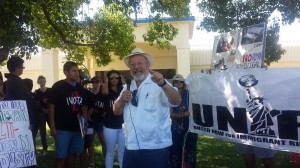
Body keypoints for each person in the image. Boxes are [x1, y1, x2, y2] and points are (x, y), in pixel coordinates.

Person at [113, 48, 182, 168]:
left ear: (148, 65)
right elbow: (115, 111)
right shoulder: (128, 86)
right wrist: (121, 100)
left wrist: (163, 83)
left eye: (140, 63)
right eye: (132, 64)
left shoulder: (159, 82)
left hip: (155, 147)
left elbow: (177, 101)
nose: (136, 67)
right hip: (131, 146)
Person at [48, 61, 88, 168]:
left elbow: (83, 107)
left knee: (74, 154)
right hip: (62, 128)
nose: (77, 73)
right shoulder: (58, 86)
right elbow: (51, 106)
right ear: (66, 72)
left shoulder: (80, 88)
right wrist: (52, 127)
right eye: (73, 71)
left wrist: (85, 123)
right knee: (61, 157)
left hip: (77, 128)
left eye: (77, 71)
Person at [4, 57, 37, 141]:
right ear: (17, 68)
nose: (23, 69)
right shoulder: (15, 81)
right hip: (23, 118)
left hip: (22, 118)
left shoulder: (12, 80)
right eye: (22, 67)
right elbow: (24, 100)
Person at [169, 74, 198, 168]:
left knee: (191, 149)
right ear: (173, 83)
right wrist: (182, 115)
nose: (179, 83)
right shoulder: (170, 95)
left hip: (190, 126)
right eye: (176, 81)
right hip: (176, 127)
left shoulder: (190, 93)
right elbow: (171, 114)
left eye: (181, 81)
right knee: (176, 149)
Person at [103, 70, 125, 168]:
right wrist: (106, 82)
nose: (114, 80)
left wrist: (124, 82)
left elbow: (130, 91)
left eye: (116, 77)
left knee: (122, 152)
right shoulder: (106, 90)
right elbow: (104, 93)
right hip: (109, 125)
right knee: (110, 152)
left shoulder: (123, 90)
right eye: (111, 78)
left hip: (123, 125)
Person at [89, 76, 107, 167]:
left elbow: (109, 105)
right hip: (91, 121)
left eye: (97, 82)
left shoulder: (103, 94)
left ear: (100, 83)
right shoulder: (89, 94)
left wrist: (106, 113)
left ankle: (105, 159)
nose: (95, 84)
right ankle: (92, 162)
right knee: (90, 142)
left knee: (103, 141)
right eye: (93, 82)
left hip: (100, 121)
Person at [34, 75, 51, 155]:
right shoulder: (36, 92)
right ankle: (45, 149)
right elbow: (37, 104)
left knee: (54, 129)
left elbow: (53, 101)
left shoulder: (50, 90)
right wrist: (44, 110)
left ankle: (59, 146)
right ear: (38, 82)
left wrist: (49, 110)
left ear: (45, 81)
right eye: (41, 82)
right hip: (41, 114)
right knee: (42, 132)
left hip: (50, 113)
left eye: (43, 81)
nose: (42, 83)